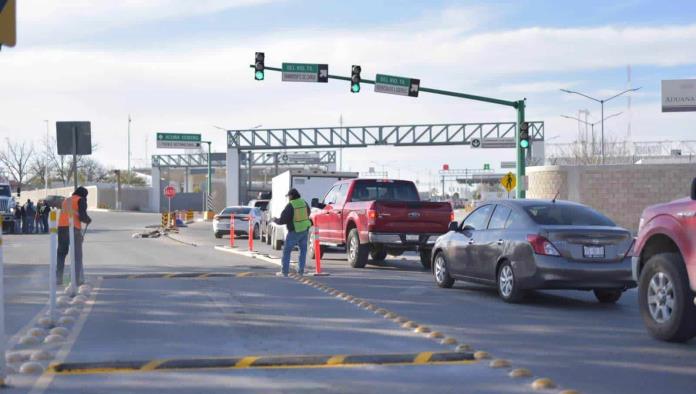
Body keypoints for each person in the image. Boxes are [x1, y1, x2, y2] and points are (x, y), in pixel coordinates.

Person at [57, 187, 92, 286]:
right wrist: (88, 220)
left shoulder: (66, 200)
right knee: (77, 255)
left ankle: (58, 278)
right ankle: (76, 280)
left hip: (61, 227)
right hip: (73, 229)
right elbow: (82, 216)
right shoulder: (80, 200)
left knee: (61, 253)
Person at [273, 188, 312, 277]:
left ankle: (284, 272)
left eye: (288, 196)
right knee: (302, 251)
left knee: (287, 251)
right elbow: (308, 213)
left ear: (291, 196)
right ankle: (300, 271)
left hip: (295, 230)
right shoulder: (304, 202)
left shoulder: (291, 205)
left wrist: (275, 220)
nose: (288, 198)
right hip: (305, 230)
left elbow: (283, 219)